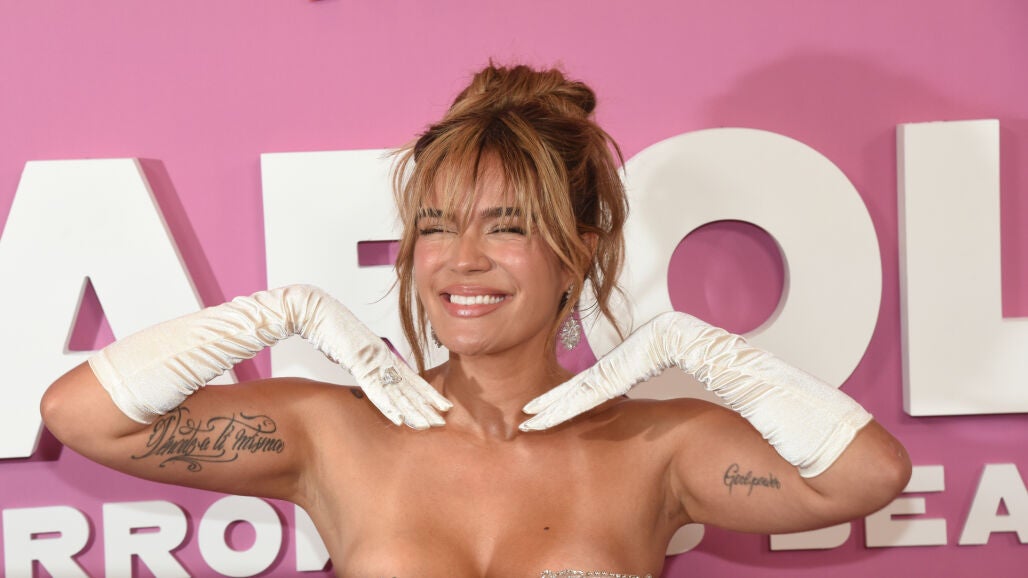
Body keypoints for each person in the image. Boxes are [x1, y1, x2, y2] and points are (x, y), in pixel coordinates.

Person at [41, 63, 911, 577]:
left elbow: (867, 476)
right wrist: (274, 313)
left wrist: (702, 348)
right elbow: (80, 416)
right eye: (435, 226)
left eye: (507, 228)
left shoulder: (661, 445)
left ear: (578, 250)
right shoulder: (335, 432)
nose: (461, 259)